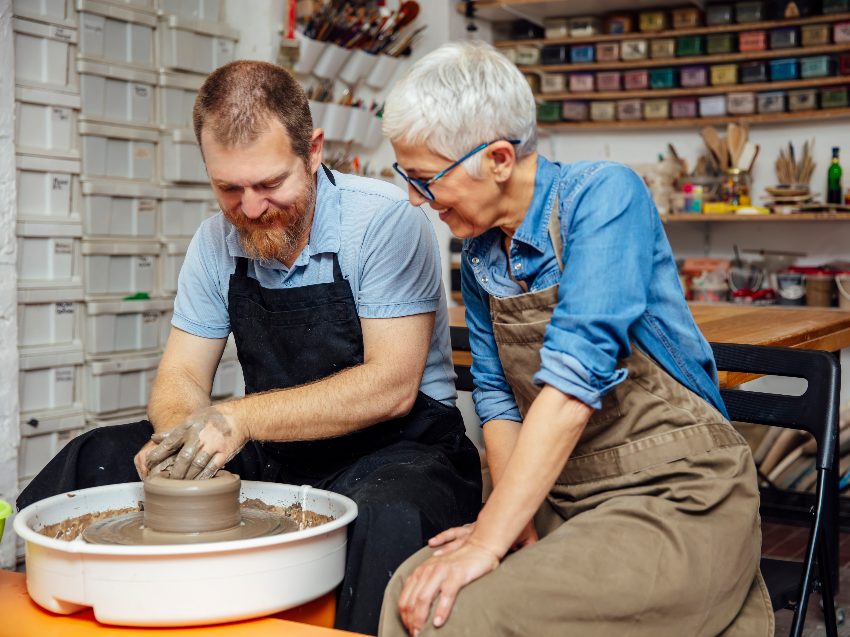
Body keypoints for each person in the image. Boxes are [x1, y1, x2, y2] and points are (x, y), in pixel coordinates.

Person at [16, 60, 482, 635]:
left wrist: (233, 418)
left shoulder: (383, 220)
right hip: (278, 445)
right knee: (95, 457)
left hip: (401, 450)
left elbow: (390, 387)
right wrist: (179, 441)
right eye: (228, 187)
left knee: (389, 513)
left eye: (269, 184)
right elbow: (181, 374)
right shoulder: (215, 240)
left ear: (313, 150)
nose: (252, 207)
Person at [377, 41, 773, 637]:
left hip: (673, 492)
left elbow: (573, 382)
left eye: (426, 179)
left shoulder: (605, 196)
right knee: (413, 589)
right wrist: (515, 519)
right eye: (405, 177)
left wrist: (489, 539)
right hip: (563, 492)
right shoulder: (484, 251)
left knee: (456, 614)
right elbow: (498, 397)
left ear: (501, 159)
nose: (414, 198)